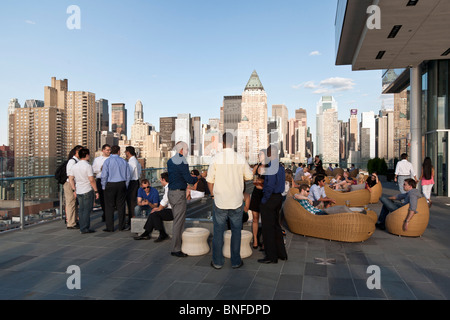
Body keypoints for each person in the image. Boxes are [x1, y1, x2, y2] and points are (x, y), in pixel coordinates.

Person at [207, 132, 253, 269]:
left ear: (222, 143)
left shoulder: (216, 158)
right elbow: (249, 177)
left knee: (218, 233)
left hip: (220, 201)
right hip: (237, 201)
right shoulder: (240, 158)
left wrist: (213, 196)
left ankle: (217, 262)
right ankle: (235, 261)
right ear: (233, 143)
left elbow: (209, 181)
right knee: (236, 232)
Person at [167, 141, 198, 258]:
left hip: (171, 193)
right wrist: (197, 178)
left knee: (177, 220)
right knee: (178, 222)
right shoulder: (183, 161)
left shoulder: (170, 161)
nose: (187, 151)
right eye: (186, 149)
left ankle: (177, 245)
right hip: (179, 194)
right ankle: (176, 249)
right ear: (181, 150)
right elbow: (189, 179)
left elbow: (177, 175)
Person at [258, 145, 288, 264]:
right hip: (279, 198)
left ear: (269, 154)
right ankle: (281, 253)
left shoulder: (271, 167)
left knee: (268, 228)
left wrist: (264, 201)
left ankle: (271, 257)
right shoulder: (281, 167)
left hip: (270, 199)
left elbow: (270, 186)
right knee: (276, 226)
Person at [134, 172, 173, 242]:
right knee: (153, 214)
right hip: (172, 209)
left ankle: (162, 233)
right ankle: (147, 233)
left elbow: (164, 201)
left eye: (161, 180)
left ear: (163, 179)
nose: (160, 181)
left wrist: (157, 209)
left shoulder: (168, 189)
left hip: (173, 211)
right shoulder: (171, 187)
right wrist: (158, 208)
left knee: (154, 214)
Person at [68, 148, 99, 234]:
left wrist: (74, 189)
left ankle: (82, 227)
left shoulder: (75, 166)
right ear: (86, 155)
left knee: (81, 209)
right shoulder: (88, 166)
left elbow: (70, 179)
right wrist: (96, 191)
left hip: (79, 190)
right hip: (87, 190)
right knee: (87, 210)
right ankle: (85, 228)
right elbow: (91, 180)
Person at [101, 145, 131, 232]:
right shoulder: (124, 161)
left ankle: (110, 227)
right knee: (121, 206)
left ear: (111, 151)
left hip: (110, 185)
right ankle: (121, 226)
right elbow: (128, 176)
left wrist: (104, 186)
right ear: (118, 151)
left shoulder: (107, 161)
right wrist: (126, 185)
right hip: (121, 184)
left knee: (109, 206)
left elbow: (104, 175)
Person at [248, 149, 267, 249]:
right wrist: (262, 183)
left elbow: (267, 184)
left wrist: (261, 183)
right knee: (255, 218)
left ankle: (264, 241)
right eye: (259, 154)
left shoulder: (269, 168)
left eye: (261, 154)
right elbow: (255, 183)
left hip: (265, 195)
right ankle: (255, 240)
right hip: (256, 194)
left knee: (265, 219)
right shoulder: (256, 167)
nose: (259, 156)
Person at [64, 145, 83, 230]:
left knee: (74, 203)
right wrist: (73, 188)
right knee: (71, 203)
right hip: (70, 184)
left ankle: (74, 221)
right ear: (76, 152)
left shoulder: (77, 161)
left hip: (74, 184)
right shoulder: (72, 161)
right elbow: (69, 175)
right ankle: (70, 223)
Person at [92, 144, 111, 222]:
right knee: (102, 198)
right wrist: (101, 169)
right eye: (107, 150)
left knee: (109, 199)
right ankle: (105, 213)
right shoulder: (97, 160)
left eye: (110, 150)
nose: (109, 151)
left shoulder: (112, 159)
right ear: (103, 150)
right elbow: (93, 170)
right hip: (100, 180)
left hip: (110, 180)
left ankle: (108, 214)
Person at [125, 146, 142, 227]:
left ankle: (132, 221)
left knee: (131, 202)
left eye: (125, 152)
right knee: (133, 202)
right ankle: (133, 219)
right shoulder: (136, 161)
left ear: (128, 152)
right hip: (136, 182)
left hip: (132, 183)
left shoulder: (131, 162)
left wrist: (126, 184)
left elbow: (129, 174)